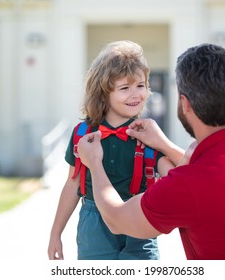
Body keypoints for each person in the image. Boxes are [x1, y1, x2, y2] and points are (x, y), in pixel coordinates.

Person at [77, 43, 225, 260]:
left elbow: (117, 219)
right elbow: (209, 169)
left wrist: (94, 163)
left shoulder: (185, 187)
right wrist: (164, 145)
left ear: (185, 104)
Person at [48, 40, 175, 260]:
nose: (135, 94)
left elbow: (176, 178)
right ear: (103, 92)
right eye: (125, 88)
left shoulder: (147, 133)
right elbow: (72, 184)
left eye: (141, 85)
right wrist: (55, 233)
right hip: (94, 224)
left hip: (139, 220)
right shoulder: (83, 134)